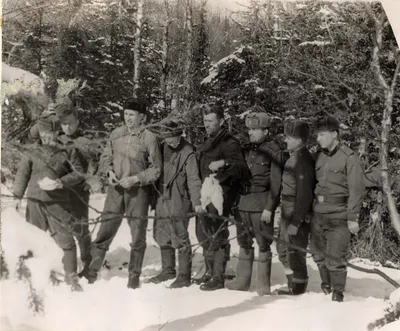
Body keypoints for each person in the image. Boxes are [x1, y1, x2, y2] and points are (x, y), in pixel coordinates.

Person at [87, 97, 162, 289]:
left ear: (142, 117)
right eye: (126, 114)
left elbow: (156, 169)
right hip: (116, 191)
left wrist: (136, 179)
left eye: (132, 115)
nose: (128, 118)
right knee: (105, 231)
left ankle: (134, 277)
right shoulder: (116, 134)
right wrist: (109, 172)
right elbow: (105, 158)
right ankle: (91, 272)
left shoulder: (149, 138)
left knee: (137, 236)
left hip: (138, 193)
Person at [13, 114, 85, 291]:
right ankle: (29, 277)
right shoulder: (33, 150)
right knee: (32, 240)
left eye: (49, 134)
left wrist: (61, 182)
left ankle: (71, 277)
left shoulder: (67, 150)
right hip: (35, 202)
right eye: (43, 133)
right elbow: (22, 174)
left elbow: (79, 173)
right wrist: (17, 195)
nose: (45, 137)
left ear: (57, 132)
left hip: (57, 203)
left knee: (66, 240)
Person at [225, 112, 287, 296]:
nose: (250, 133)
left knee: (263, 244)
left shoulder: (274, 152)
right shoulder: (244, 150)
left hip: (261, 205)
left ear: (266, 131)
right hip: (243, 203)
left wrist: (270, 208)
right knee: (244, 242)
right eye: (249, 129)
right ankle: (242, 282)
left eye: (255, 129)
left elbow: (276, 184)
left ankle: (263, 286)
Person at [194, 104, 250, 291]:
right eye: (205, 121)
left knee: (217, 233)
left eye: (210, 120)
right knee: (203, 233)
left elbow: (241, 168)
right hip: (206, 194)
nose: (207, 124)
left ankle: (218, 276)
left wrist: (224, 163)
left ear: (221, 121)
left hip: (221, 196)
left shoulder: (229, 143)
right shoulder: (208, 140)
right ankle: (210, 272)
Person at [311, 116, 365, 302]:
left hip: (339, 215)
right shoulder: (317, 156)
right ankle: (325, 288)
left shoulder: (349, 157)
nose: (318, 139)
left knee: (335, 258)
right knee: (318, 255)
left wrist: (352, 217)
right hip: (318, 213)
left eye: (322, 135)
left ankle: (337, 294)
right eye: (317, 135)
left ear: (334, 134)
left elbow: (356, 189)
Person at [149, 120, 203, 288]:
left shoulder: (188, 152)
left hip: (180, 197)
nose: (172, 142)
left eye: (175, 138)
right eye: (169, 139)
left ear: (180, 135)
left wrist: (197, 201)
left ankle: (184, 275)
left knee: (179, 235)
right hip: (162, 195)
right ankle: (168, 270)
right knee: (161, 232)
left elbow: (194, 180)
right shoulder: (161, 148)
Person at [54, 98, 99, 280]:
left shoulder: (84, 141)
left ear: (77, 122)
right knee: (63, 227)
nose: (68, 128)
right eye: (64, 124)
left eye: (71, 124)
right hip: (60, 191)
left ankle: (88, 263)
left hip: (79, 192)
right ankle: (67, 263)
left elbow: (94, 163)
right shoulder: (56, 140)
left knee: (81, 228)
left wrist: (91, 179)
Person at [276, 120, 315, 295]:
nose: (286, 141)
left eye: (289, 138)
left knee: (295, 249)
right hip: (287, 207)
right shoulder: (295, 157)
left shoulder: (303, 161)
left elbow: (304, 194)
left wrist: (296, 221)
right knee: (284, 247)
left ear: (299, 140)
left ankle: (298, 288)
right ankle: (293, 285)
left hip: (295, 209)